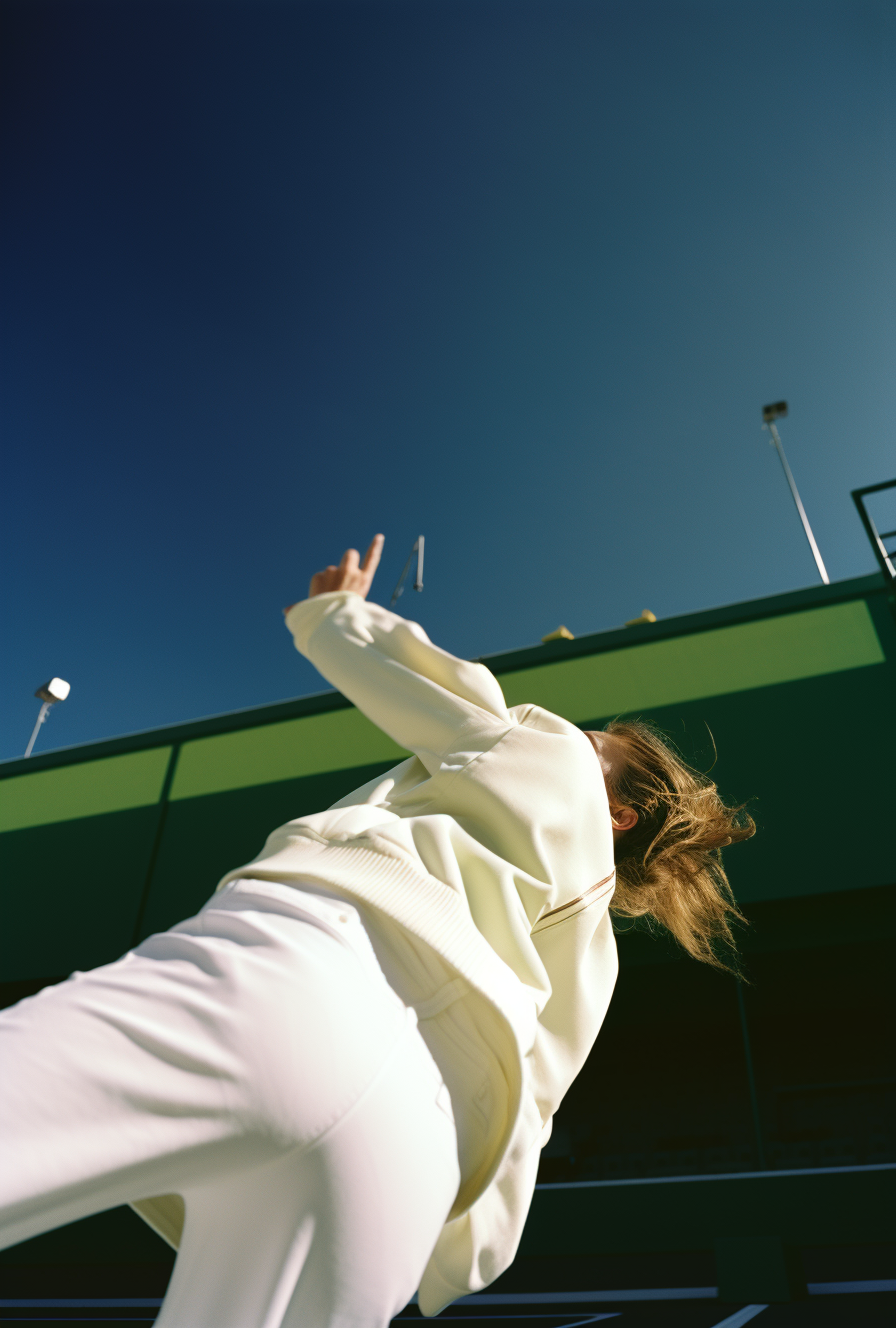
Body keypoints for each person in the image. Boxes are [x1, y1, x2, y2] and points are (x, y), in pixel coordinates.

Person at [0, 534, 754, 1328]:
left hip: (307, 971)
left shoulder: (549, 748)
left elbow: (441, 693)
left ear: (620, 812)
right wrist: (453, 1245)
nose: (577, 732)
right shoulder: (592, 951)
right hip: (414, 1157)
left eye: (599, 742)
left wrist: (333, 615)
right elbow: (532, 1105)